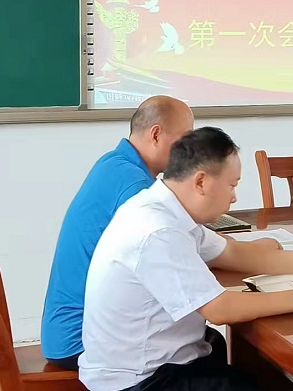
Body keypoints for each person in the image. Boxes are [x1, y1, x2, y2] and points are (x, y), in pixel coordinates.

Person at [79, 126, 293, 391]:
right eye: (232, 185)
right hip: (141, 380)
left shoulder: (167, 209)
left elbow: (233, 254)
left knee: (256, 373)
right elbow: (219, 309)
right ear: (201, 182)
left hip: (162, 362)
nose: (234, 197)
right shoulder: (158, 230)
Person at [41, 95, 195, 370]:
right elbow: (177, 250)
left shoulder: (114, 163)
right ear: (156, 135)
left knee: (201, 341)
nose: (191, 152)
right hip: (80, 340)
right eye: (186, 141)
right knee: (196, 341)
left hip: (66, 331)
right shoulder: (134, 186)